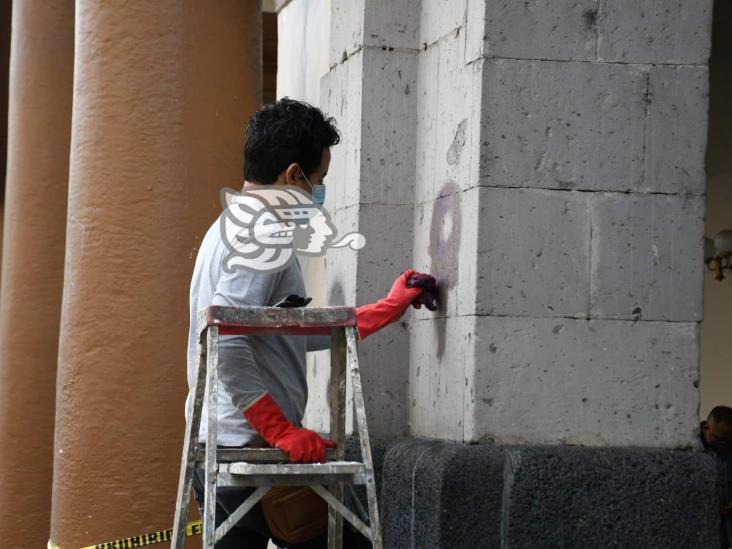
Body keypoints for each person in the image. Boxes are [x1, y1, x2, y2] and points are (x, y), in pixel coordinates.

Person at [186, 97, 431, 548]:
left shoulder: (230, 224)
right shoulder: (264, 232)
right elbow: (229, 338)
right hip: (250, 448)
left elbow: (279, 331)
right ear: (293, 175)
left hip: (236, 443)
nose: (318, 194)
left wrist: (382, 310)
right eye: (317, 181)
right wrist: (279, 430)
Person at [701, 406, 732, 549]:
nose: (725, 444)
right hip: (706, 524)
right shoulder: (692, 446)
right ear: (707, 428)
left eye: (729, 439)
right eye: (720, 439)